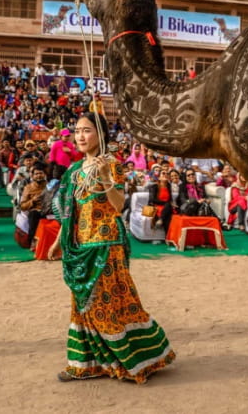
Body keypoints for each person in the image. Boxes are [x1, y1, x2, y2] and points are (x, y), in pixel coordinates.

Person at [47, 113, 175, 383]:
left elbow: (118, 205)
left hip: (106, 244)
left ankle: (130, 361)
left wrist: (105, 176)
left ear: (100, 135)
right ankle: (86, 363)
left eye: (87, 131)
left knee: (109, 302)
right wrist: (59, 239)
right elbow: (71, 212)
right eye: (77, 131)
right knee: (82, 305)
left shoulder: (111, 165)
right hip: (79, 245)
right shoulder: (73, 171)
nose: (80, 136)